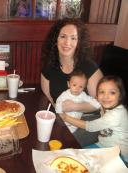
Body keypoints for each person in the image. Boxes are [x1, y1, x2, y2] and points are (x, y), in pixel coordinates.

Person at [40, 18, 103, 146]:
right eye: (63, 36)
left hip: (90, 121)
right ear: (55, 40)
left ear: (78, 42)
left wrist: (74, 106)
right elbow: (50, 100)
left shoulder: (88, 67)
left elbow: (103, 105)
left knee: (61, 142)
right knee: (43, 133)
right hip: (63, 118)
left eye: (73, 38)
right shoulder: (48, 68)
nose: (67, 42)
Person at [60, 76, 128, 163]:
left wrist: (65, 117)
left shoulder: (117, 114)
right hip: (102, 146)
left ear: (120, 96)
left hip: (120, 155)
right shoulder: (110, 108)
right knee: (75, 157)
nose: (106, 96)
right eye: (102, 92)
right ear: (97, 95)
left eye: (112, 93)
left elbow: (90, 126)